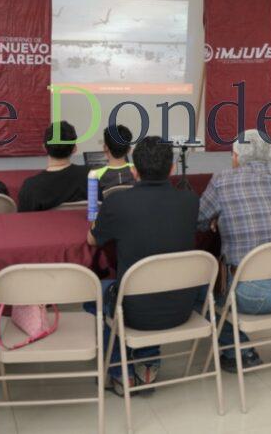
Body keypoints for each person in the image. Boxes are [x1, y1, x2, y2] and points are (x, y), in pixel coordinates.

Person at [86, 136, 199, 393]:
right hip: (183, 306)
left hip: (135, 313)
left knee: (93, 295)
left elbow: (92, 239)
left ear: (134, 171)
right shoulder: (191, 202)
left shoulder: (117, 203)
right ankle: (147, 364)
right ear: (172, 169)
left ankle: (118, 371)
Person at [197, 129, 271, 373]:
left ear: (235, 155)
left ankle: (241, 352)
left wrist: (216, 220)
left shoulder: (222, 180)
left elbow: (199, 220)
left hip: (251, 295)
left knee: (208, 290)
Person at [17, 121, 89, 212]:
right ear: (75, 149)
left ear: (44, 148)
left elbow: (23, 221)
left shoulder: (31, 187)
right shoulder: (92, 178)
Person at [94, 125, 137, 194]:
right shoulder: (136, 170)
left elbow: (93, 203)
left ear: (105, 147)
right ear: (129, 149)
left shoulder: (94, 174)